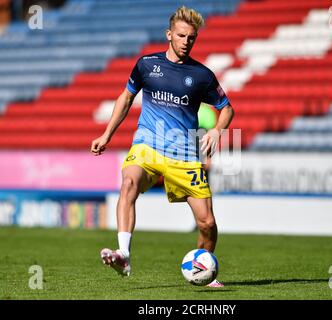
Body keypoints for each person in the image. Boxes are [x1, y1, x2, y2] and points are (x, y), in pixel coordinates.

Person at [91, 6, 234, 287]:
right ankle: (124, 253)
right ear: (169, 34)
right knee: (129, 182)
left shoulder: (202, 75)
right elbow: (125, 98)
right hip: (148, 145)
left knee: (207, 224)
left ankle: (202, 267)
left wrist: (218, 131)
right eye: (181, 36)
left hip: (184, 155)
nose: (186, 42)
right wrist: (107, 134)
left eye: (191, 38)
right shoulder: (147, 65)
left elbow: (227, 108)